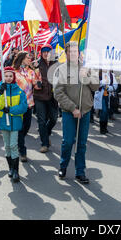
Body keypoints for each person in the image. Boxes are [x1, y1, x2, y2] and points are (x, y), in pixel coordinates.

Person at [54, 41, 99, 184]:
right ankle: (63, 166)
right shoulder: (61, 69)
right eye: (70, 51)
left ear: (79, 53)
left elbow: (96, 86)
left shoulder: (86, 68)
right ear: (66, 53)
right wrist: (73, 108)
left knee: (81, 143)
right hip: (69, 112)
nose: (73, 54)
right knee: (67, 142)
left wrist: (86, 76)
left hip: (85, 112)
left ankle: (80, 172)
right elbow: (58, 93)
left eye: (75, 51)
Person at [0, 67, 28, 183]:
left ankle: (16, 171)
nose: (8, 78)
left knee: (13, 145)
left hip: (15, 122)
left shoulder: (19, 91)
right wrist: (0, 93)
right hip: (3, 121)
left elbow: (23, 107)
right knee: (7, 146)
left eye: (10, 76)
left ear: (14, 77)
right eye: (6, 76)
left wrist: (11, 110)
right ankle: (11, 169)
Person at [33, 44, 58, 153]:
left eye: (48, 51)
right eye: (44, 51)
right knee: (41, 121)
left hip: (53, 97)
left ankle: (46, 134)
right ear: (41, 53)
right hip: (40, 96)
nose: (46, 53)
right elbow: (31, 77)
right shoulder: (36, 64)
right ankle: (44, 143)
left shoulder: (56, 64)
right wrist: (35, 83)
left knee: (53, 119)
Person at [13, 51, 36, 162]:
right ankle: (22, 151)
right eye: (27, 58)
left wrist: (38, 84)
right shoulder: (14, 72)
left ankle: (19, 140)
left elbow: (36, 84)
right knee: (20, 128)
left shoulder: (31, 72)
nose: (29, 59)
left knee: (27, 126)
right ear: (22, 58)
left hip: (29, 104)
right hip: (18, 104)